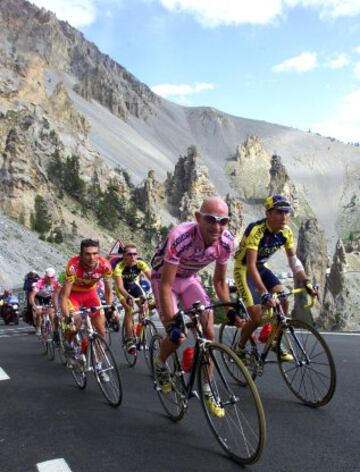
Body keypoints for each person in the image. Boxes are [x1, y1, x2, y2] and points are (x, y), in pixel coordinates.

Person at [151, 196, 234, 417]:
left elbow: (219, 282)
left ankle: (208, 388)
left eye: (223, 221)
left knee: (208, 331)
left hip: (189, 279)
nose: (217, 226)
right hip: (164, 278)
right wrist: (172, 323)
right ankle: (160, 363)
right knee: (178, 335)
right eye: (210, 219)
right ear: (198, 217)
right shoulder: (180, 236)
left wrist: (230, 311)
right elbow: (167, 286)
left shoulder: (226, 242)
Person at [233, 194, 318, 361]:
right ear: (268, 214)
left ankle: (274, 341)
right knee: (257, 316)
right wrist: (263, 292)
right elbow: (250, 266)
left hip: (261, 267)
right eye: (279, 212)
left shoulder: (286, 232)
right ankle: (240, 347)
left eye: (287, 212)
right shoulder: (256, 230)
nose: (284, 217)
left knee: (284, 299)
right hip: (244, 269)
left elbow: (293, 260)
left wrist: (306, 282)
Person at [60, 239, 113, 382]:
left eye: (95, 253)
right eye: (87, 254)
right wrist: (67, 317)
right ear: (81, 254)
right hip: (74, 296)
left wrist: (110, 307)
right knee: (75, 322)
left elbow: (108, 290)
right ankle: (69, 344)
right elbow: (65, 295)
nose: (92, 258)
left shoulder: (105, 265)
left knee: (102, 331)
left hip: (91, 294)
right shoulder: (73, 266)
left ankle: (99, 365)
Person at [113, 244, 152, 354]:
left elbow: (153, 279)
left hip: (133, 285)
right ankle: (129, 340)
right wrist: (127, 297)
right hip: (122, 289)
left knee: (144, 306)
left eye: (135, 254)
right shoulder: (119, 266)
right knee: (128, 309)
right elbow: (120, 287)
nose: (132, 257)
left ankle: (141, 334)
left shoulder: (140, 263)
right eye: (129, 254)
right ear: (124, 255)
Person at [29, 268, 61, 335]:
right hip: (38, 298)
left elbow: (61, 294)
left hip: (49, 297)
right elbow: (32, 296)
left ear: (54, 277)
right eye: (48, 277)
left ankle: (55, 331)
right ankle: (38, 327)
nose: (50, 279)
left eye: (52, 277)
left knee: (52, 314)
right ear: (45, 276)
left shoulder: (56, 282)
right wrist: (34, 306)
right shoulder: (40, 282)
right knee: (38, 313)